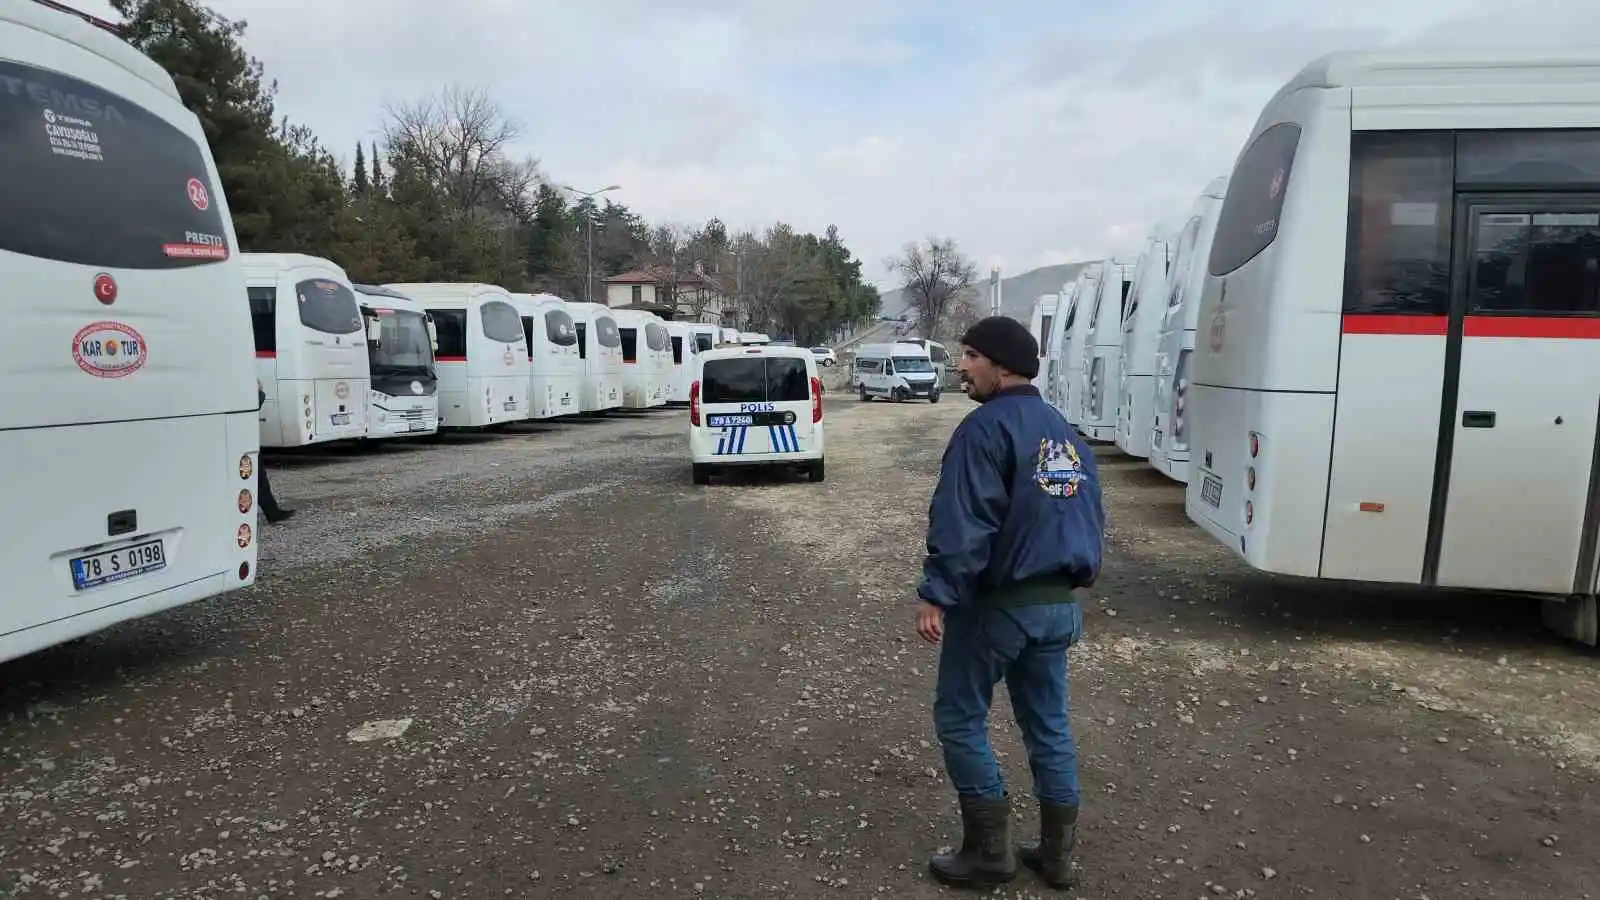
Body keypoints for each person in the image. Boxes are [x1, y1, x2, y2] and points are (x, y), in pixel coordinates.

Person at [915, 315, 1104, 891]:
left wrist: (936, 595)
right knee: (1048, 724)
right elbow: (1090, 520)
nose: (961, 366)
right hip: (1058, 607)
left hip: (998, 606)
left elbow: (963, 523)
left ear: (1002, 366)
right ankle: (1057, 855)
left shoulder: (984, 429)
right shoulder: (1065, 433)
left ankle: (989, 853)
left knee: (958, 716)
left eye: (971, 355)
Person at [256, 381, 294, 523]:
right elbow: (255, 404)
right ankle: (273, 513)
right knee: (259, 478)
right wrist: (259, 391)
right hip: (244, 442)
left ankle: (272, 512)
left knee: (259, 479)